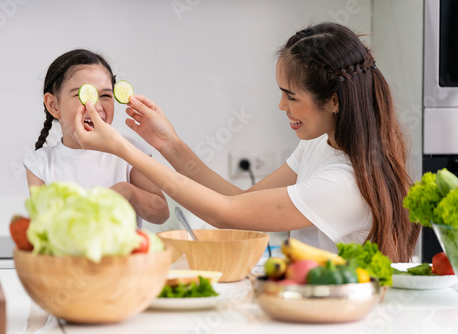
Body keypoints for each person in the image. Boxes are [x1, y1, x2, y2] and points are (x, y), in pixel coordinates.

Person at [73, 23, 420, 262]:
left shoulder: (344, 183)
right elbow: (238, 201)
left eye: (291, 96)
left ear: (333, 101)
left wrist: (122, 148)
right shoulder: (320, 144)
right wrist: (169, 144)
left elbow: (228, 215)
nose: (282, 106)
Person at [24, 49, 169, 225]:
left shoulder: (129, 150)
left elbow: (161, 213)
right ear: (54, 105)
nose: (96, 107)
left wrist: (127, 191)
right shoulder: (40, 164)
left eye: (106, 95)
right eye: (83, 95)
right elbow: (43, 224)